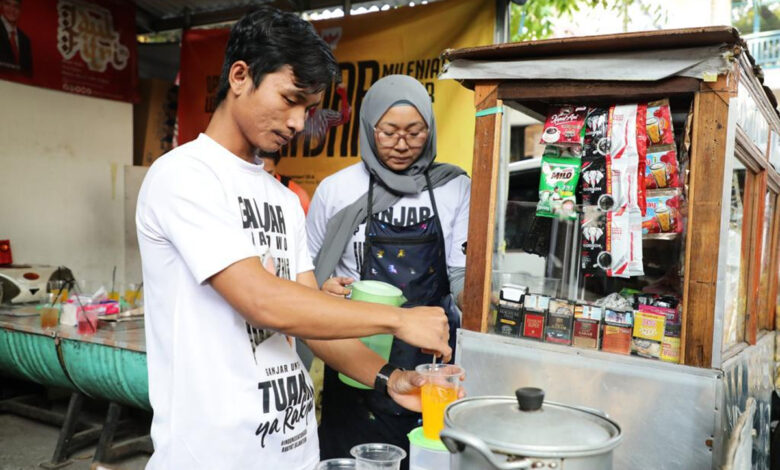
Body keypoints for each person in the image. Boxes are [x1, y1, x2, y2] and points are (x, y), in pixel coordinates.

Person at [135, 9, 451, 470]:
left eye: (308, 108)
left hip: (295, 449)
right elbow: (262, 300)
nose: (300, 123)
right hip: (213, 457)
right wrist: (396, 321)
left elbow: (306, 316)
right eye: (290, 99)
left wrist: (388, 377)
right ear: (240, 76)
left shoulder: (281, 198)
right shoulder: (185, 176)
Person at [307, 75, 470, 467]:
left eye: (415, 132)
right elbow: (306, 274)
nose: (402, 144)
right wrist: (323, 288)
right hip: (355, 357)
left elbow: (462, 275)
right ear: (368, 128)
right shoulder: (337, 190)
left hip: (430, 357)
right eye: (389, 132)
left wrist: (483, 304)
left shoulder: (454, 186)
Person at [0, 0, 31, 74]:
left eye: (16, 6)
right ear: (1, 4)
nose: (12, 10)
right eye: (8, 4)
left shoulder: (25, 40)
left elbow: (27, 73)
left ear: (20, 10)